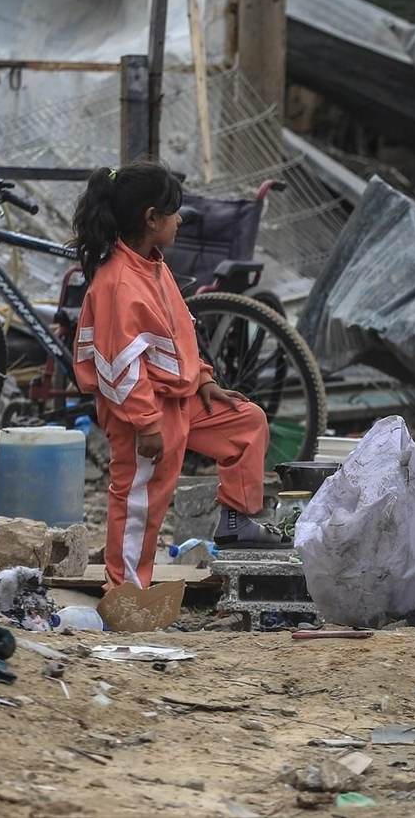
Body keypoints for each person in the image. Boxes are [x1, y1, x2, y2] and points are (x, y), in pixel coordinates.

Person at [72, 162, 283, 591]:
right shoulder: (117, 283)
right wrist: (147, 423)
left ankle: (235, 522)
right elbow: (117, 368)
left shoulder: (153, 265)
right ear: (151, 219)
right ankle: (126, 591)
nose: (180, 219)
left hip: (182, 398)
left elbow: (178, 330)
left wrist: (204, 379)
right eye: (173, 212)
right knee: (140, 502)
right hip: (144, 411)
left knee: (246, 423)